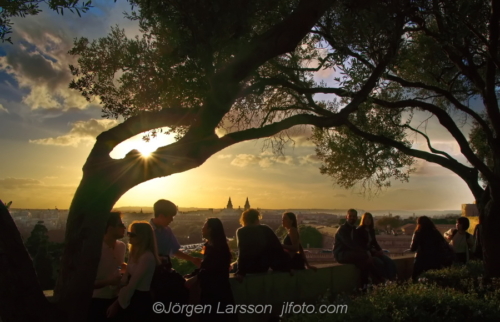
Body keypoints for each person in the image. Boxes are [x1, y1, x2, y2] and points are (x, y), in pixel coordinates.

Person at [185, 218, 237, 322]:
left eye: (204, 226)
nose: (202, 228)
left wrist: (193, 278)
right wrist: (192, 275)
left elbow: (209, 270)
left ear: (211, 230)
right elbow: (206, 267)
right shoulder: (215, 247)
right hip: (216, 292)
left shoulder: (217, 249)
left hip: (216, 293)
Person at [107, 221, 160, 321]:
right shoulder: (135, 253)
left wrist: (116, 304)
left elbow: (133, 284)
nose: (129, 236)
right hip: (131, 296)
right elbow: (126, 278)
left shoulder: (146, 257)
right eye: (129, 233)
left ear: (142, 237)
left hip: (139, 300)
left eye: (132, 234)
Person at [88, 212, 126, 322]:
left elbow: (118, 266)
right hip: (96, 302)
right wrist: (108, 281)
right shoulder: (95, 249)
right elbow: (86, 283)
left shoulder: (121, 246)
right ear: (109, 228)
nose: (124, 227)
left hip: (116, 299)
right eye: (120, 225)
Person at [233, 208, 290, 277]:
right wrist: (286, 268)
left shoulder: (241, 231)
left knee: (232, 267)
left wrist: (240, 272)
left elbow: (242, 252)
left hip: (249, 267)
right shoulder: (265, 229)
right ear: (257, 219)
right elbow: (277, 249)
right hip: (263, 266)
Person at [150, 199, 202, 266]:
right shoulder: (145, 230)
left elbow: (175, 251)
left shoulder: (167, 230)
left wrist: (192, 259)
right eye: (170, 217)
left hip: (164, 268)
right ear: (161, 216)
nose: (172, 220)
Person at [333, 209, 377, 287]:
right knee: (366, 257)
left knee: (364, 264)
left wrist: (368, 251)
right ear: (346, 217)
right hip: (341, 254)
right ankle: (378, 280)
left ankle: (364, 286)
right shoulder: (342, 229)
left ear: (356, 218)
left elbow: (358, 244)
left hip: (351, 253)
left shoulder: (354, 229)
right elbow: (350, 244)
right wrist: (365, 252)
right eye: (350, 216)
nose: (352, 218)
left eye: (354, 216)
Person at [357, 212, 397, 280]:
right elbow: (360, 245)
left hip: (372, 252)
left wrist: (380, 250)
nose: (367, 220)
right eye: (366, 218)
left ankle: (392, 279)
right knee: (379, 263)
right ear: (363, 220)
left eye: (369, 219)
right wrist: (371, 251)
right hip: (365, 253)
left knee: (389, 261)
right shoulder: (359, 230)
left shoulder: (371, 230)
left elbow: (374, 242)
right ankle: (384, 279)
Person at [410, 216, 452, 281]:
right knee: (434, 279)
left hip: (421, 259)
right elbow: (443, 243)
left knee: (416, 278)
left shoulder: (418, 233)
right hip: (435, 259)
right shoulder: (435, 232)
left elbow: (413, 248)